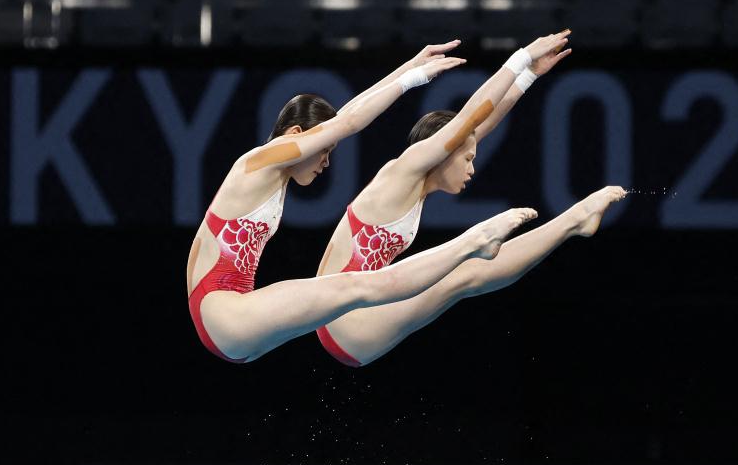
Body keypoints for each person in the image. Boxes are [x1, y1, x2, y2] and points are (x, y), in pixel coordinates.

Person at [187, 40, 539, 364]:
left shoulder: (272, 174)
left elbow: (348, 113)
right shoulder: (263, 160)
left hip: (234, 320)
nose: (326, 162)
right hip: (221, 307)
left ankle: (471, 247)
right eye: (323, 150)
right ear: (296, 135)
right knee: (357, 285)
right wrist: (413, 79)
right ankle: (474, 240)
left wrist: (409, 67)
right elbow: (350, 122)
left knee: (355, 291)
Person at [311, 31, 627, 367]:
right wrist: (521, 57)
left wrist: (529, 75)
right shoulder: (400, 172)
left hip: (355, 315)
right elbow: (469, 119)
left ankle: (574, 222)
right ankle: (573, 221)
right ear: (443, 152)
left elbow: (477, 126)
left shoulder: (417, 183)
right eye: (467, 159)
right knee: (463, 271)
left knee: (463, 270)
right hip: (345, 321)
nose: (472, 168)